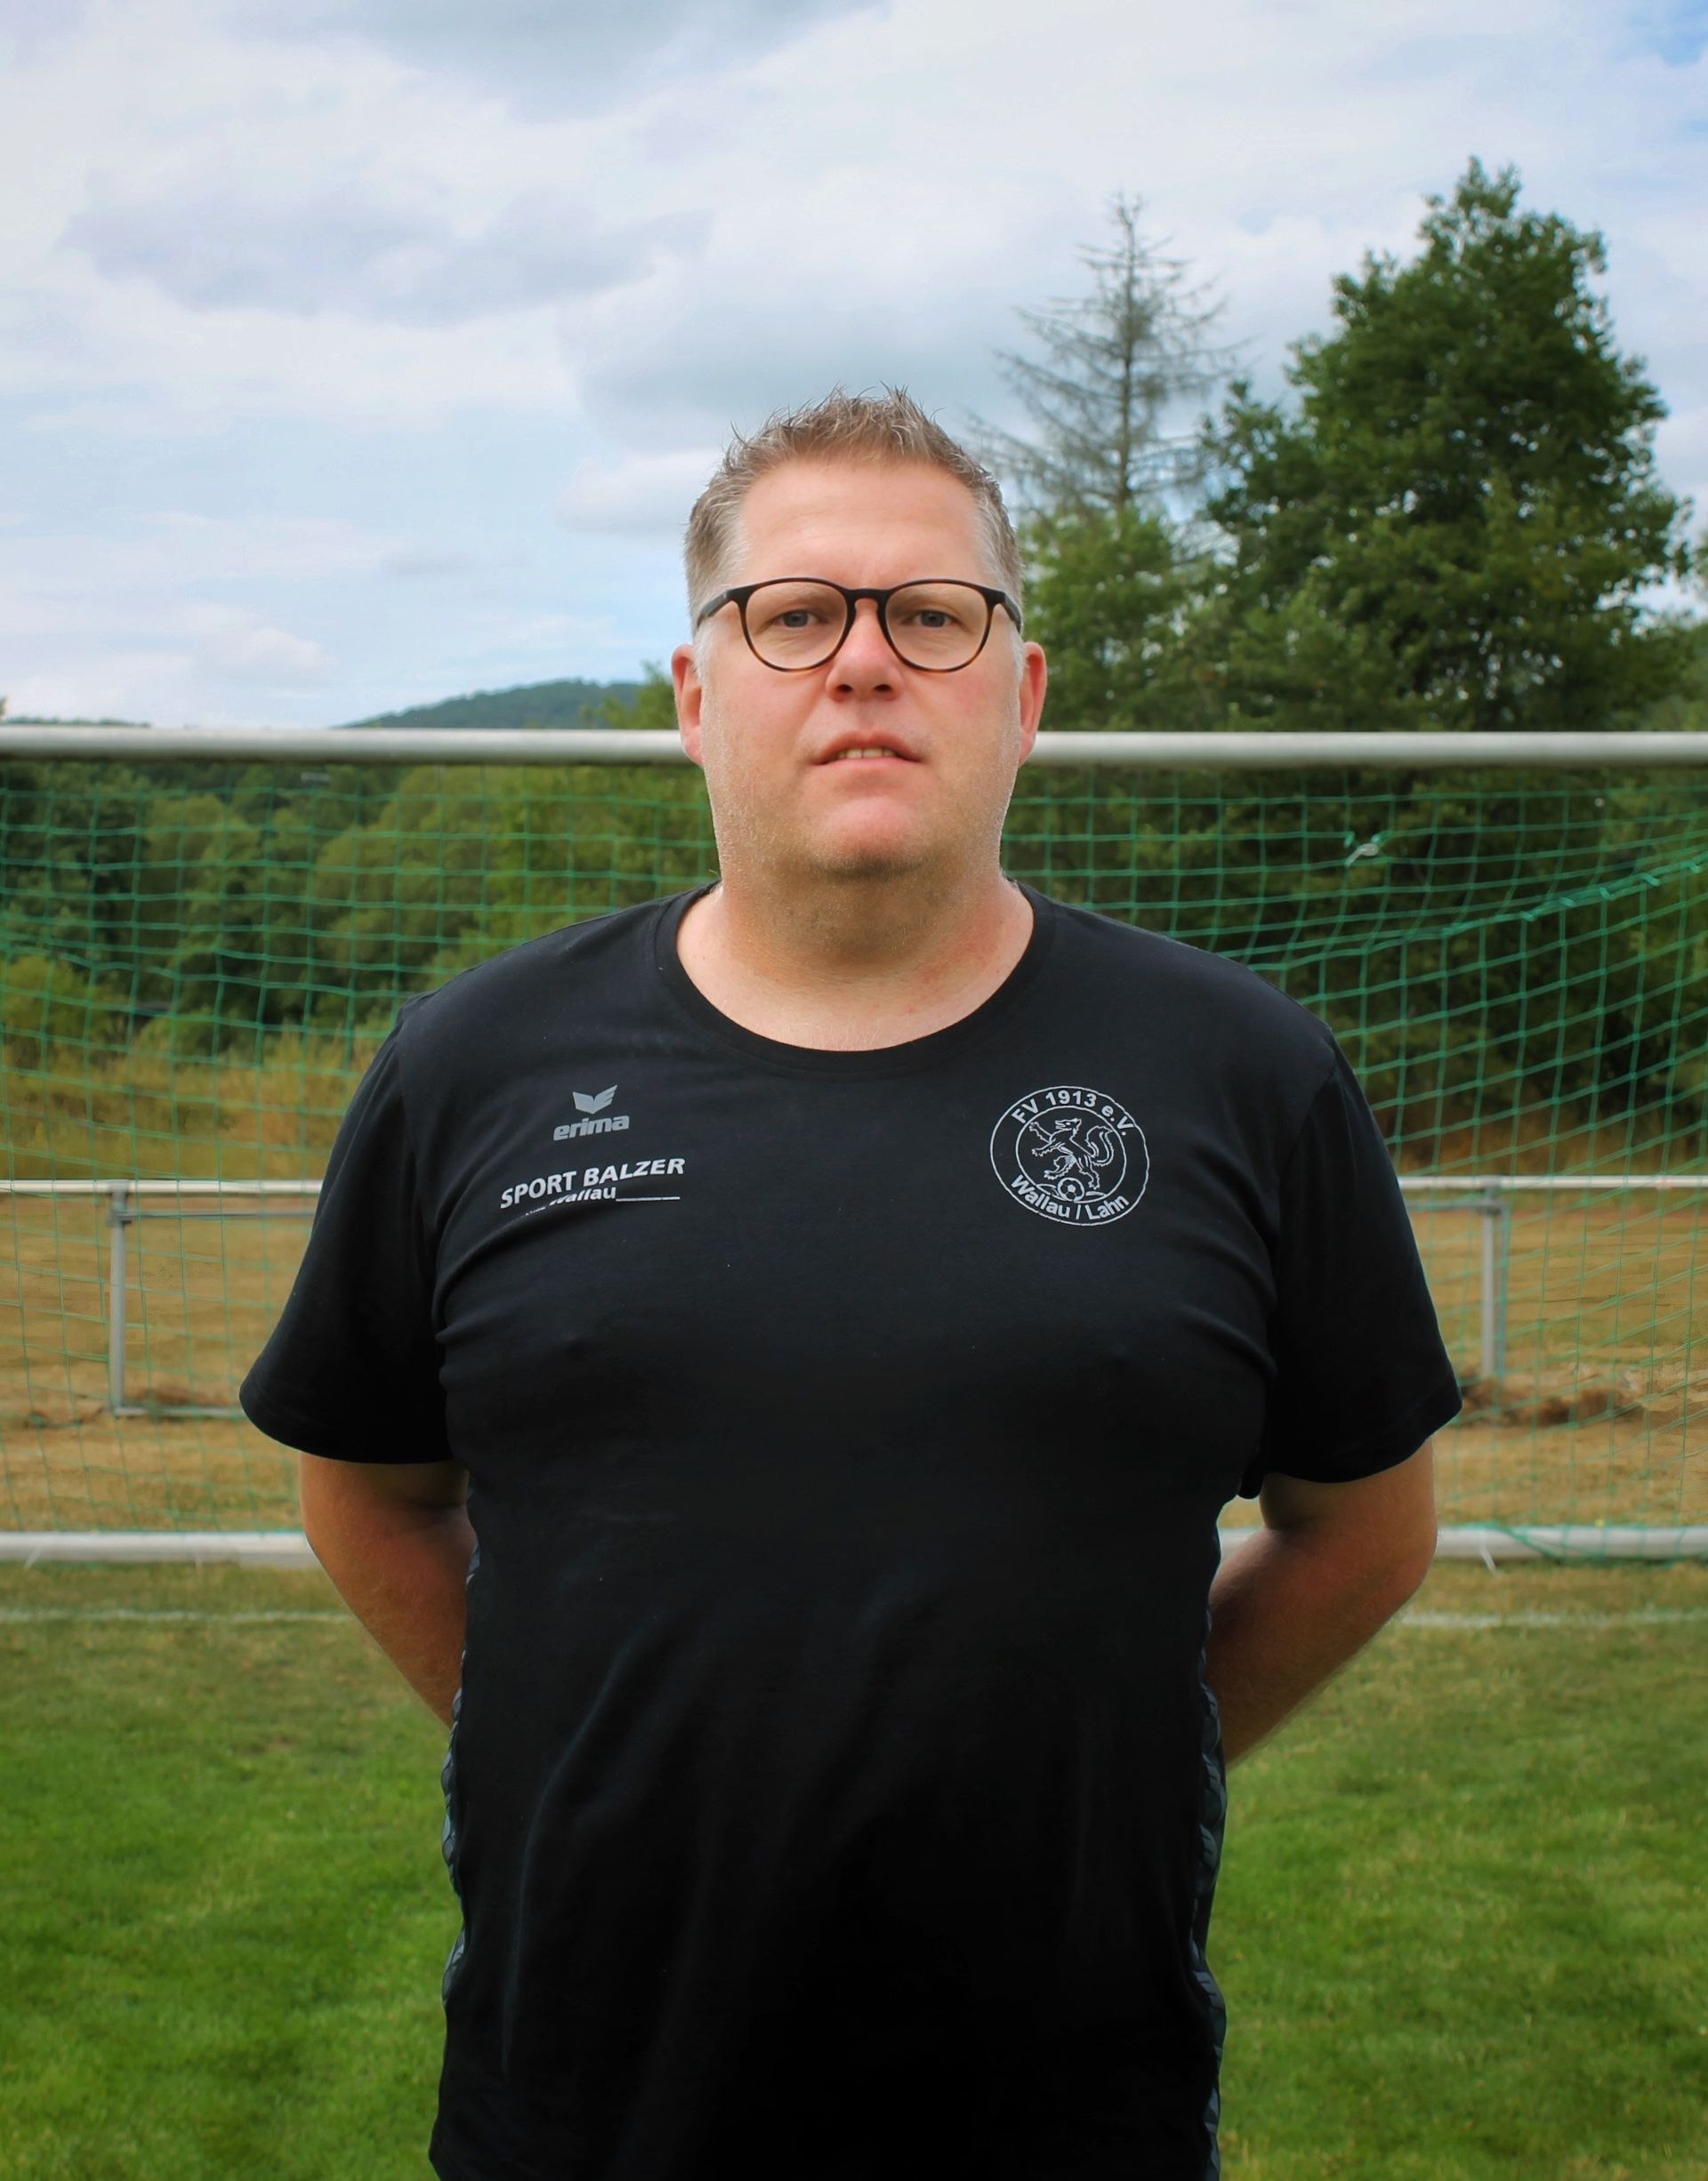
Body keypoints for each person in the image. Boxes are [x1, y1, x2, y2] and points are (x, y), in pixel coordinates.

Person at [238, 385, 1462, 2181]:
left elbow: (1366, 1528)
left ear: (1021, 695)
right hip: (586, 2106)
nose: (866, 660)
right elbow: (363, 1488)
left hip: (1069, 2111)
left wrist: (1135, 1751)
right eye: (795, 613)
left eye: (934, 614)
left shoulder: (1244, 1071)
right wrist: (567, 1742)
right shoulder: (473, 1066)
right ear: (695, 696)